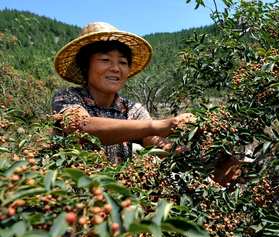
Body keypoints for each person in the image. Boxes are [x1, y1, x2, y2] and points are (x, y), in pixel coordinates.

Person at [52, 22, 194, 164]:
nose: (115, 68)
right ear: (85, 66)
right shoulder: (68, 97)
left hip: (119, 186)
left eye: (123, 62)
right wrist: (158, 125)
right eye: (105, 60)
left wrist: (187, 150)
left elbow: (152, 140)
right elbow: (80, 127)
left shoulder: (132, 109)